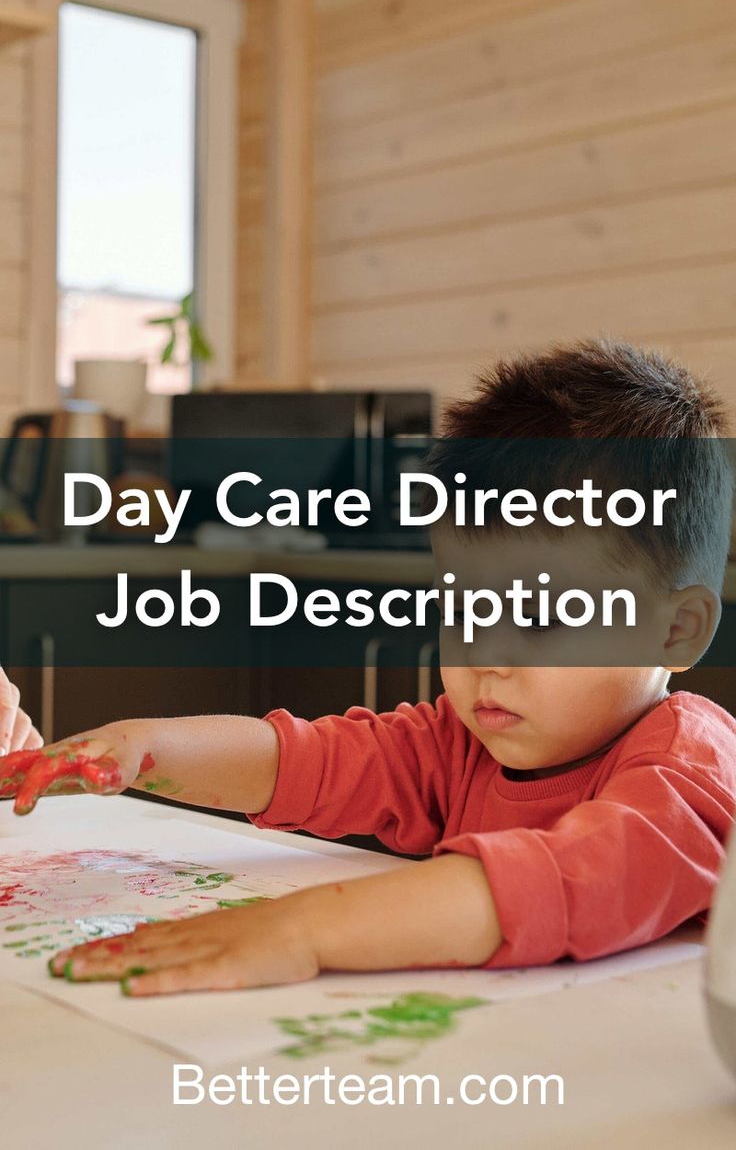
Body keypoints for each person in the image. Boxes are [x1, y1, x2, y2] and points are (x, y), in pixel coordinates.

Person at [2, 338, 735, 998]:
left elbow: (559, 882)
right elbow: (304, 762)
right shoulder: (461, 744)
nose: (483, 655)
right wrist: (139, 749)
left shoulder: (692, 778)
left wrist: (300, 931)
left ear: (678, 629)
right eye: (460, 611)